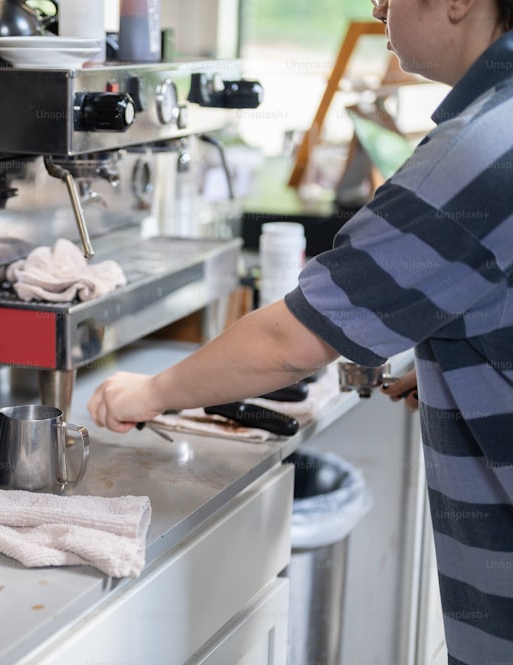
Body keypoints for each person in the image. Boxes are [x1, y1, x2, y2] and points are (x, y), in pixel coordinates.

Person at [86, 0, 513, 662]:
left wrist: (152, 391)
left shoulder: (478, 150)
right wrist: (474, 367)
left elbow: (292, 341)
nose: (377, 7)